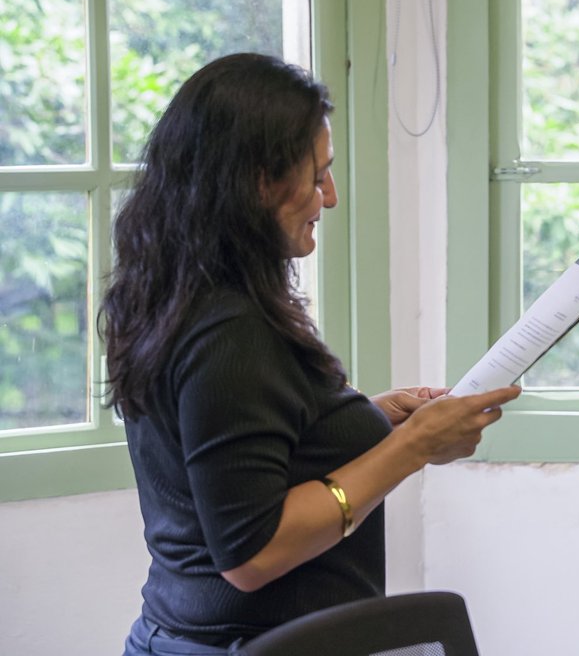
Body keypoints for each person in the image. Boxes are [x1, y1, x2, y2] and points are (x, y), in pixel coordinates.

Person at [102, 52, 520, 655]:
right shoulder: (228, 329)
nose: (331, 196)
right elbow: (251, 553)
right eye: (318, 175)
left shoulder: (176, 291)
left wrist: (364, 420)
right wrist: (413, 446)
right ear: (258, 182)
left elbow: (241, 448)